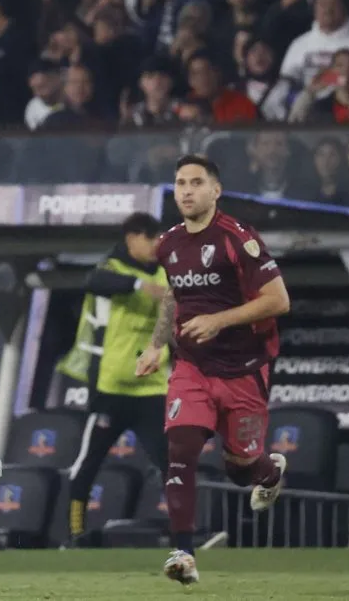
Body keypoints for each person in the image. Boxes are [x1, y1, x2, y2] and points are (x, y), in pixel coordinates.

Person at [136, 154, 290, 585]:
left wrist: (219, 320)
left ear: (215, 191)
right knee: (180, 451)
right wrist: (156, 345)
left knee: (240, 468)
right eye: (180, 183)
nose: (187, 191)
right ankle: (184, 554)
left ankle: (269, 472)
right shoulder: (168, 244)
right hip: (193, 367)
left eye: (196, 183)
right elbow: (174, 296)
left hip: (244, 369)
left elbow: (279, 300)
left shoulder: (238, 238)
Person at [58, 212, 170, 544]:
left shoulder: (166, 272)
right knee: (88, 463)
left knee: (171, 463)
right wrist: (140, 286)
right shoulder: (112, 269)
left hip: (152, 388)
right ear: (132, 238)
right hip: (111, 389)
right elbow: (95, 281)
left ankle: (184, 530)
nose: (157, 245)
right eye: (150, 238)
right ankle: (76, 532)